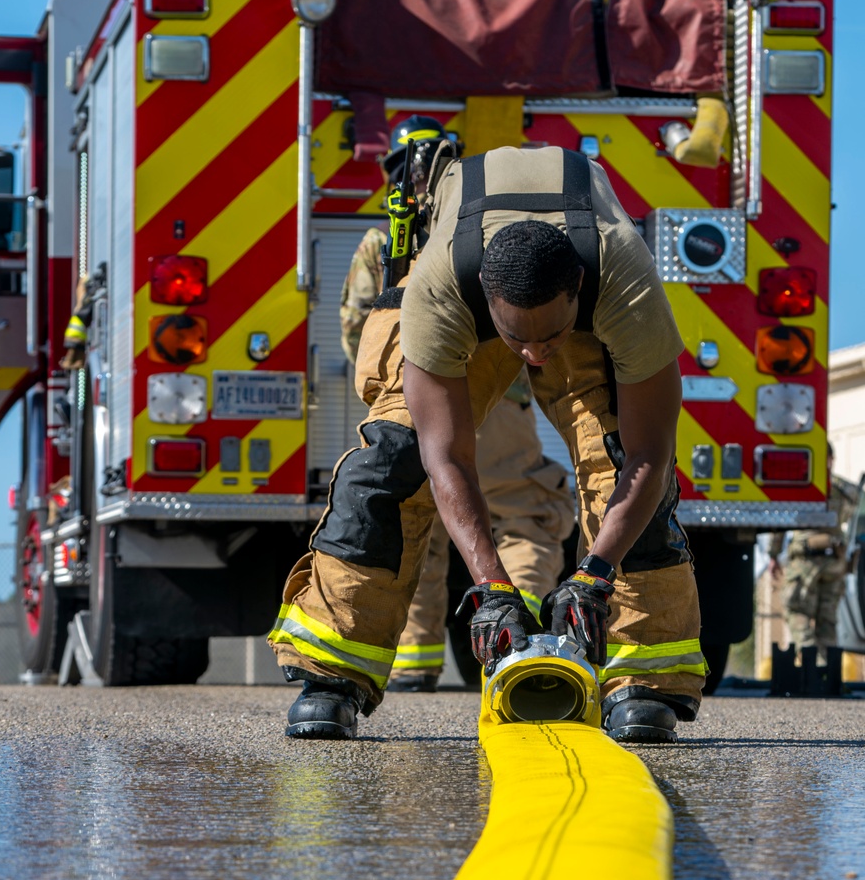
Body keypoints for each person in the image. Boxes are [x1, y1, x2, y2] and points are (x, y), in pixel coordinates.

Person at [269, 143, 705, 743]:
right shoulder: (439, 290)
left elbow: (651, 457)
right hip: (474, 297)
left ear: (577, 290)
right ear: (485, 303)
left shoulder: (625, 284)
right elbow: (442, 455)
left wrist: (595, 575)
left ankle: (644, 680)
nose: (535, 358)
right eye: (515, 341)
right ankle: (332, 676)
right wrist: (493, 586)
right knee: (388, 463)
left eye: (550, 338)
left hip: (578, 298)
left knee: (618, 458)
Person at [339, 127, 574, 691]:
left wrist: (388, 394)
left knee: (419, 522)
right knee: (522, 517)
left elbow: (357, 327)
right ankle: (522, 639)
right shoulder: (478, 229)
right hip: (500, 404)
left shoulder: (380, 245)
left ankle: (414, 662)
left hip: (415, 405)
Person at [767, 447, 857, 657]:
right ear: (832, 459)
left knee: (798, 614)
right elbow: (852, 510)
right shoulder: (844, 490)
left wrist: (773, 554)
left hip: (804, 561)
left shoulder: (800, 485)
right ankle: (827, 671)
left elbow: (779, 522)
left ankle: (811, 664)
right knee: (828, 620)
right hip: (835, 562)